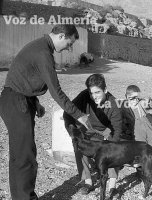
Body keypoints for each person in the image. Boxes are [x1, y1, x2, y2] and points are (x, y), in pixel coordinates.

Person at [0, 24, 91, 200]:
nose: (68, 48)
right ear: (62, 36)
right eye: (69, 43)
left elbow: (23, 77)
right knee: (24, 156)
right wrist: (79, 114)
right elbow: (56, 91)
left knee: (23, 154)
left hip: (19, 100)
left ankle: (22, 196)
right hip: (16, 102)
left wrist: (34, 101)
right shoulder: (43, 53)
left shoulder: (40, 46)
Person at [63, 74, 122, 196]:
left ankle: (112, 185)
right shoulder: (84, 96)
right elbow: (67, 113)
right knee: (79, 145)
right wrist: (73, 132)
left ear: (105, 90)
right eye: (91, 93)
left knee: (111, 149)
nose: (94, 96)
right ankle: (88, 182)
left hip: (106, 130)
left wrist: (110, 143)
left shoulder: (114, 104)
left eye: (97, 92)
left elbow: (116, 130)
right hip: (88, 127)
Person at [120, 85, 152, 169]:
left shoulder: (140, 104)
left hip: (148, 129)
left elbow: (149, 102)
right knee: (141, 150)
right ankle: (144, 171)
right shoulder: (125, 107)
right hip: (137, 130)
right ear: (126, 96)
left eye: (137, 97)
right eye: (132, 98)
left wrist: (143, 99)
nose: (135, 100)